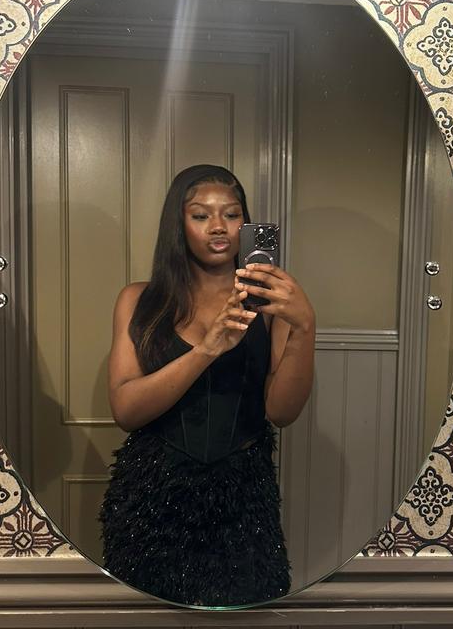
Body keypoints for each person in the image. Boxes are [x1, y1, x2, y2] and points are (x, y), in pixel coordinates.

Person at [99, 164, 315, 607]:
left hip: (244, 500)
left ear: (245, 224)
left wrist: (305, 327)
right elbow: (126, 410)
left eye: (232, 214)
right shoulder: (139, 300)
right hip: (151, 497)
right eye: (200, 215)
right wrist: (208, 348)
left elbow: (282, 412)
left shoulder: (271, 306)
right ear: (178, 225)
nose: (218, 226)